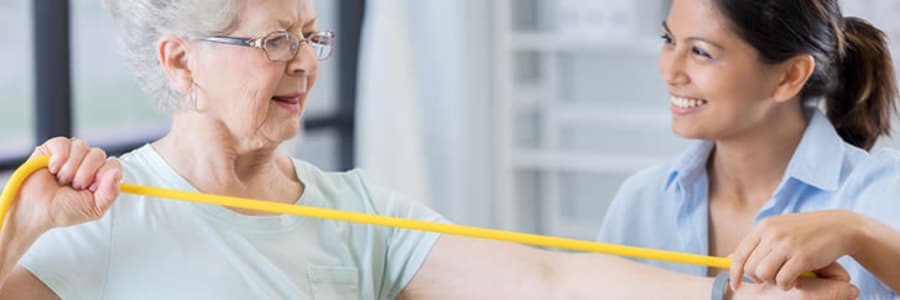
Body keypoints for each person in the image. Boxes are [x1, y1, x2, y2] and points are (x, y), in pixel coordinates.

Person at [0, 0, 859, 299]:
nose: (305, 60)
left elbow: (544, 279)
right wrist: (18, 230)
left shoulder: (356, 212)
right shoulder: (104, 214)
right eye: (272, 42)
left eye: (311, 34)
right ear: (179, 57)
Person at [597, 0, 900, 298]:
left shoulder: (881, 190)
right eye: (669, 40)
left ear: (789, 75)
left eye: (701, 52)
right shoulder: (640, 201)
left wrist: (858, 234)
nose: (670, 71)